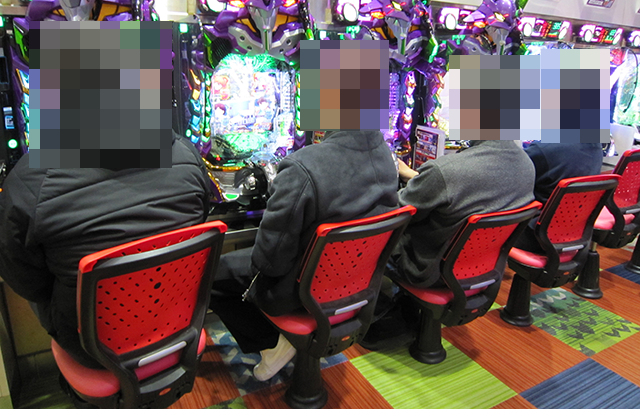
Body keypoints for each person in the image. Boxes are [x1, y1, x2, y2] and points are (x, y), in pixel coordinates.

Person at [0, 131, 211, 369]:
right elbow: (200, 223)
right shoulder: (187, 154)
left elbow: (23, 279)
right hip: (178, 324)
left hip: (91, 349)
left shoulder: (29, 177)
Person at [209, 130, 399, 381]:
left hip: (301, 292)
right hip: (359, 281)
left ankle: (270, 343)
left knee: (211, 275)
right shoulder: (384, 153)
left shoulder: (302, 165)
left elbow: (270, 263)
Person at [388, 140, 536, 289]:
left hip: (427, 272)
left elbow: (396, 213)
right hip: (486, 268)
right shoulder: (526, 164)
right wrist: (420, 179)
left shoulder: (444, 170)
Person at [515, 142, 604, 253]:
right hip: (576, 231)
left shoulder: (543, 149)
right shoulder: (595, 145)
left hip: (535, 235)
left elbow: (514, 171)